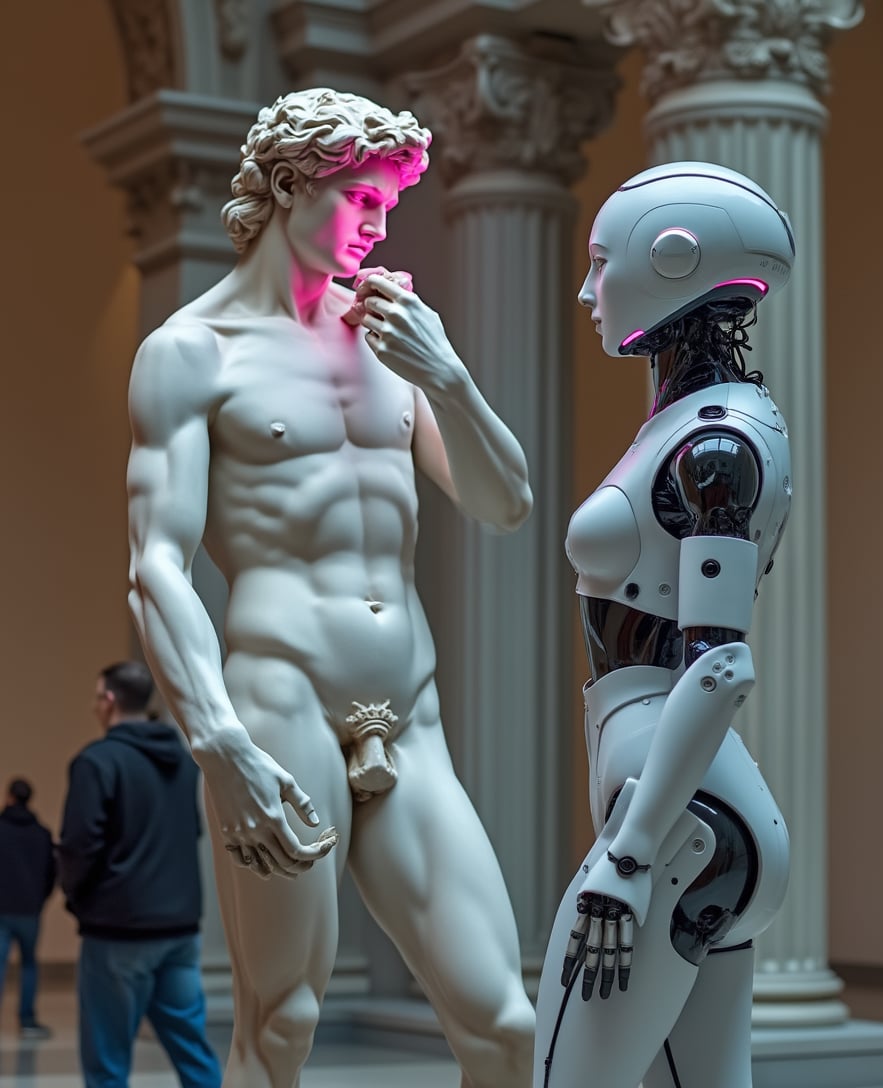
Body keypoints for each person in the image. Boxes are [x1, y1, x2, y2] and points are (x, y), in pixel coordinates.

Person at [126, 87, 535, 1087]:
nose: (377, 224)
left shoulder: (392, 336)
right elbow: (156, 567)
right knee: (284, 1018)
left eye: (388, 205)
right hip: (279, 702)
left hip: (409, 705)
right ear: (282, 185)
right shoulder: (192, 353)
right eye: (359, 199)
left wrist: (447, 376)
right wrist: (219, 745)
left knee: (505, 1021)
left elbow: (505, 502)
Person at [534, 163, 796, 1087]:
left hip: (674, 820)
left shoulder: (715, 442)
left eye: (602, 263)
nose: (587, 289)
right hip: (691, 805)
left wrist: (632, 854)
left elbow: (719, 668)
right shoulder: (700, 424)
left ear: (672, 259)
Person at [58, 661, 221, 1088]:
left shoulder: (96, 762)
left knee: (108, 1062)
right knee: (193, 1050)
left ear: (108, 700)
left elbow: (79, 847)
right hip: (181, 929)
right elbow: (194, 831)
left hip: (117, 931)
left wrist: (76, 899)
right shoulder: (184, 764)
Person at [0, 777, 56, 1038]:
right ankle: (27, 1021)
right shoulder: (42, 833)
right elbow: (51, 873)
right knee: (29, 965)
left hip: (2, 910)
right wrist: (39, 899)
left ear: (10, 797)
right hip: (30, 911)